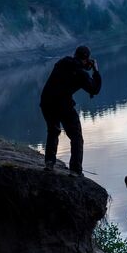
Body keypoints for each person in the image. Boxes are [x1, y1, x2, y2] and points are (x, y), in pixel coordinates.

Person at [40, 45, 101, 177]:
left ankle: (49, 163)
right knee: (76, 137)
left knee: (53, 130)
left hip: (46, 101)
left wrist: (83, 66)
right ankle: (75, 170)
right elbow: (94, 89)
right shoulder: (81, 74)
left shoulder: (63, 62)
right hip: (62, 104)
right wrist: (95, 71)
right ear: (86, 59)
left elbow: (71, 70)